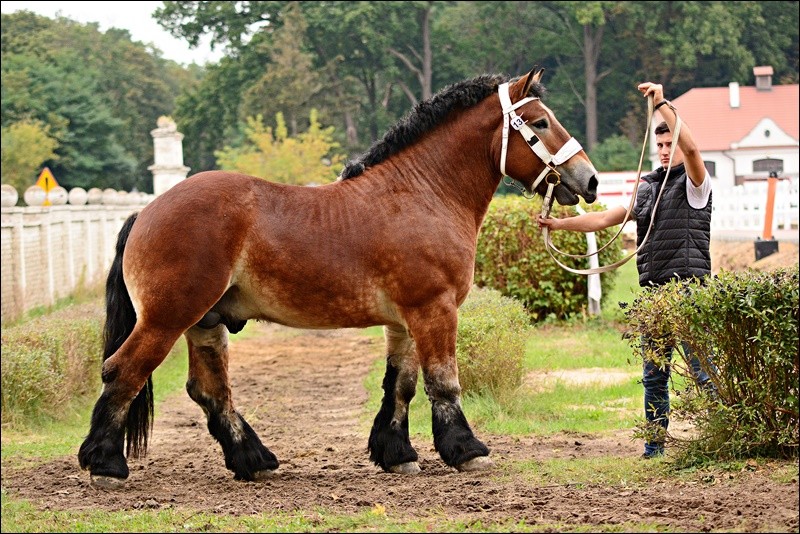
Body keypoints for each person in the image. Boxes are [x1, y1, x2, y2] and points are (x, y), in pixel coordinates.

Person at [537, 81, 715, 458]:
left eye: (671, 146)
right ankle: (654, 449)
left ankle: (729, 434)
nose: (666, 151)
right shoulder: (648, 187)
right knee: (654, 378)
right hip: (655, 295)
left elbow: (694, 147)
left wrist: (661, 103)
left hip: (690, 292)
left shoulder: (697, 183)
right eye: (661, 146)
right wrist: (560, 225)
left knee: (703, 374)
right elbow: (605, 218)